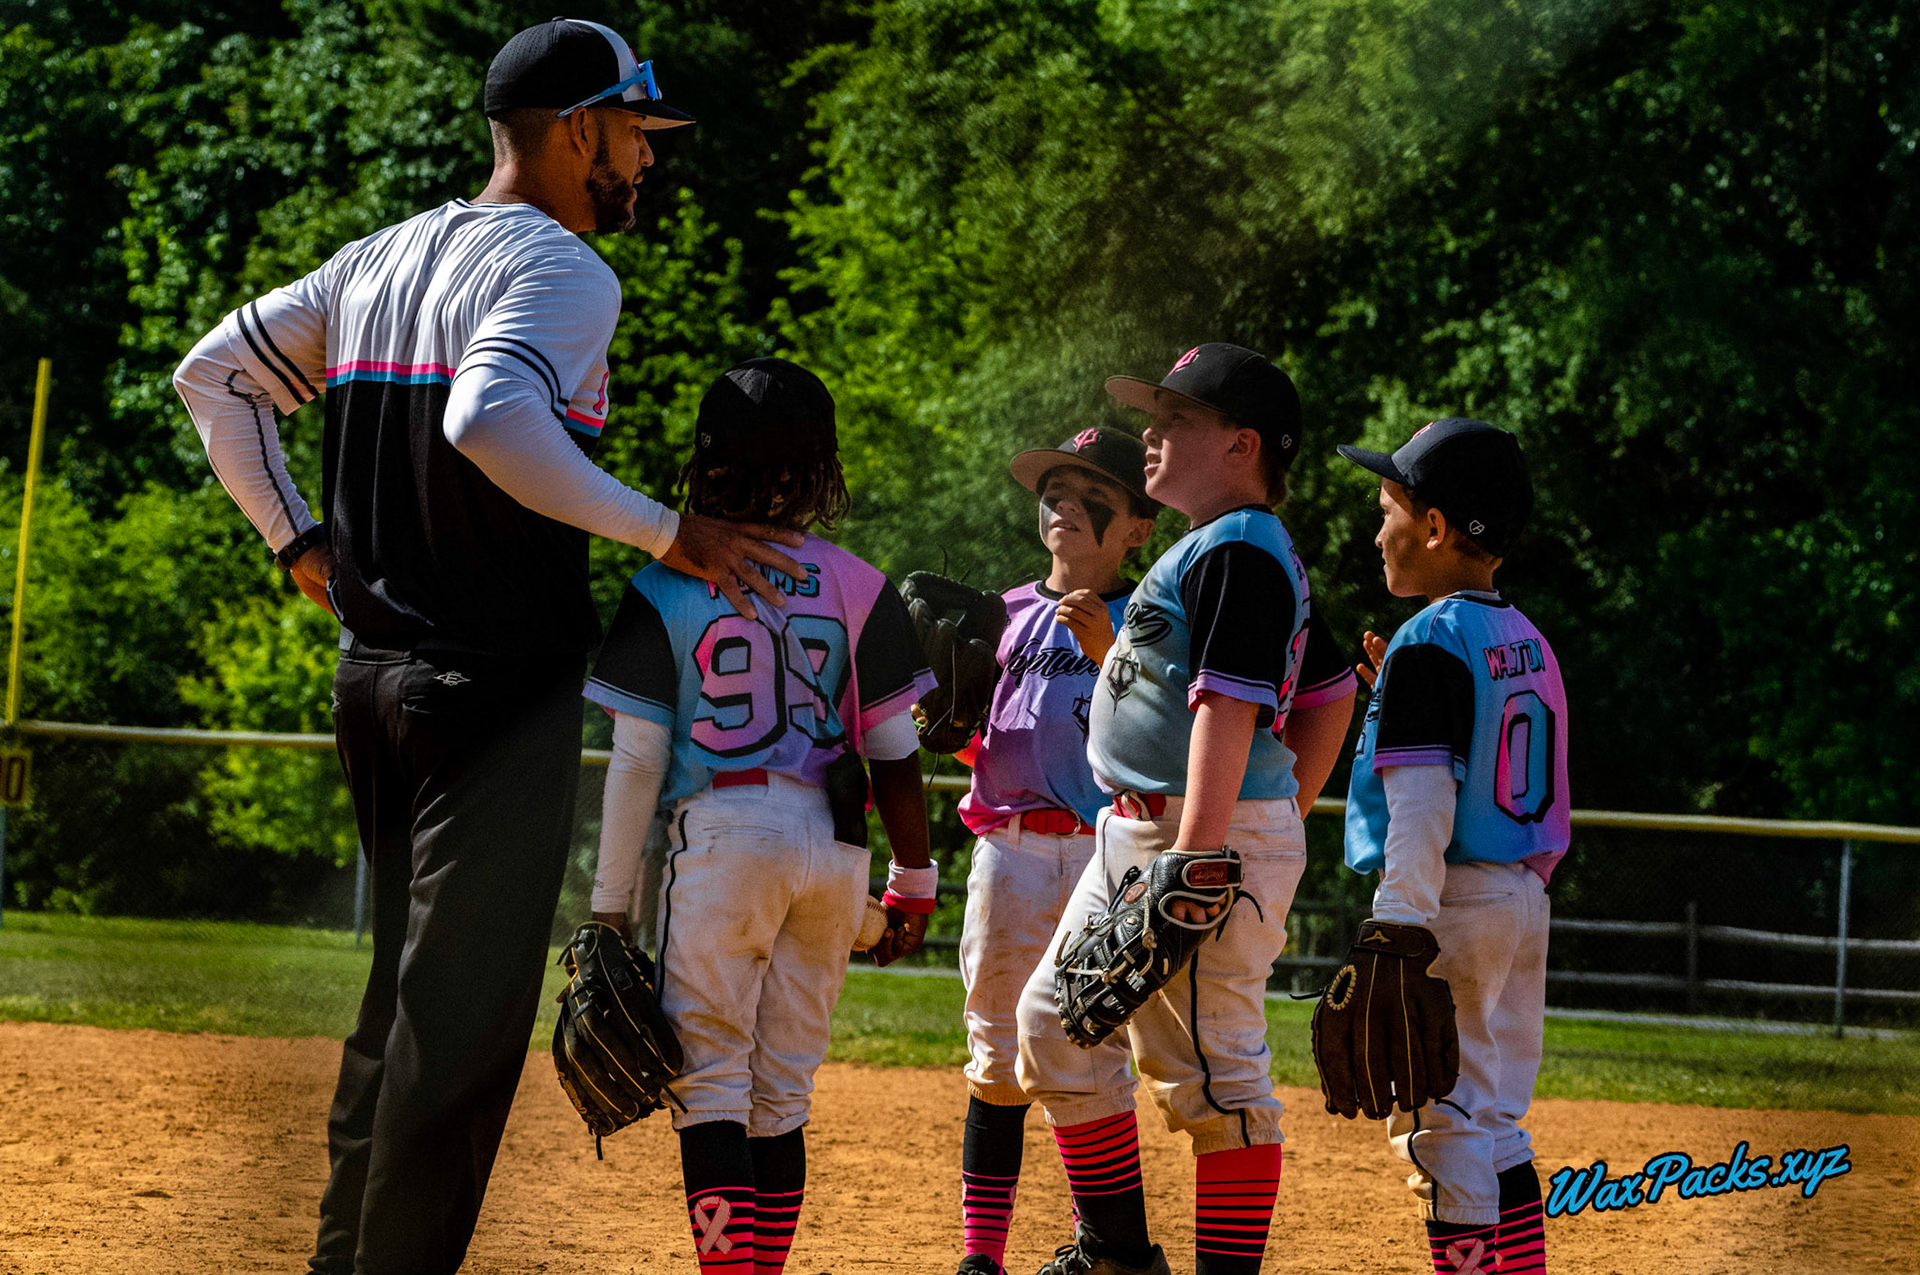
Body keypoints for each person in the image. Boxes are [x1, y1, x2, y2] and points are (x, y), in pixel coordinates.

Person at [172, 19, 806, 1275]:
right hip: (494, 691)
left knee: (401, 1001)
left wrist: (298, 540)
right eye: (633, 129)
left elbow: (213, 376)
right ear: (575, 129)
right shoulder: (564, 267)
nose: (647, 156)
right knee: (456, 1028)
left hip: (376, 682)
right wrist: (666, 530)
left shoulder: (378, 256)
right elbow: (488, 414)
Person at [949, 427, 1356, 1275]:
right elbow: (1324, 682)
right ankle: (1115, 1254)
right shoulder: (1202, 554)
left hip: (1186, 837)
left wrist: (1243, 828)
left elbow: (1302, 693)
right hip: (1122, 835)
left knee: (1213, 1075)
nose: (1156, 433)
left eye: (1177, 417)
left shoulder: (1237, 552)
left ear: (1237, 444)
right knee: (1051, 1027)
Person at [583, 357, 938, 1275]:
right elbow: (893, 751)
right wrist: (914, 882)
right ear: (821, 469)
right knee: (780, 1094)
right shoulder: (862, 584)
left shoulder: (664, 582)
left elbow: (638, 759)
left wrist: (610, 910)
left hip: (725, 836)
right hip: (834, 848)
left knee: (710, 1085)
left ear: (706, 462)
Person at [1336, 419, 1567, 1275]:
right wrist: (1395, 691)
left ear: (1434, 527)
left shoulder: (1430, 641)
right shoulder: (1523, 635)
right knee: (1494, 1118)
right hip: (1521, 895)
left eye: (1387, 510)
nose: (1378, 533)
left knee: (1441, 1124)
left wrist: (1397, 926)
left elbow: (1425, 804)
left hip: (1449, 899)